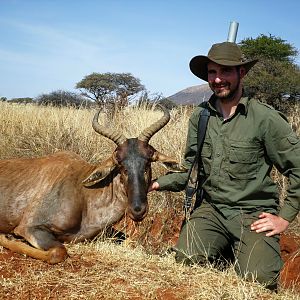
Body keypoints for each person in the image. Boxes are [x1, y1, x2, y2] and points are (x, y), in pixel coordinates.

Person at [149, 41, 300, 290]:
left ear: (241, 73)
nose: (218, 79)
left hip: (252, 213)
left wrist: (284, 219)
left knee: (259, 280)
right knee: (186, 261)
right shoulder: (200, 116)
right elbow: (191, 169)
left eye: (225, 71)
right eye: (212, 72)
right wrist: (156, 183)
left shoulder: (265, 118)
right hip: (212, 209)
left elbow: (297, 167)